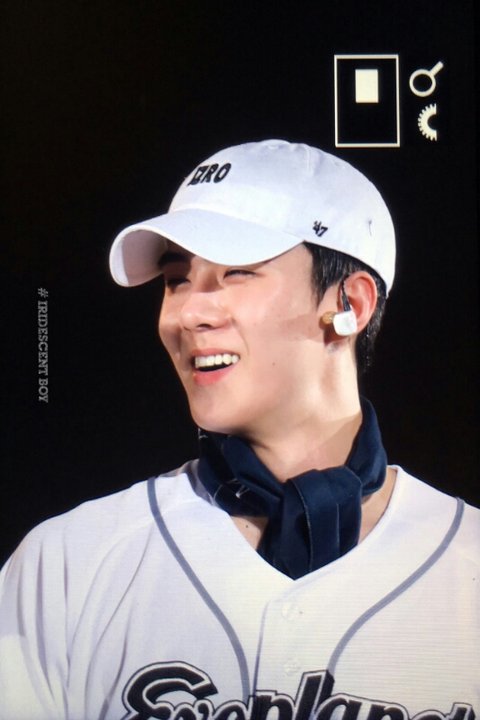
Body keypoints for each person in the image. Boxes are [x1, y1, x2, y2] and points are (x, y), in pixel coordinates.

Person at [0, 139, 478, 719]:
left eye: (236, 272)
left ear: (350, 303)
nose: (187, 314)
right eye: (177, 279)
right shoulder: (68, 565)